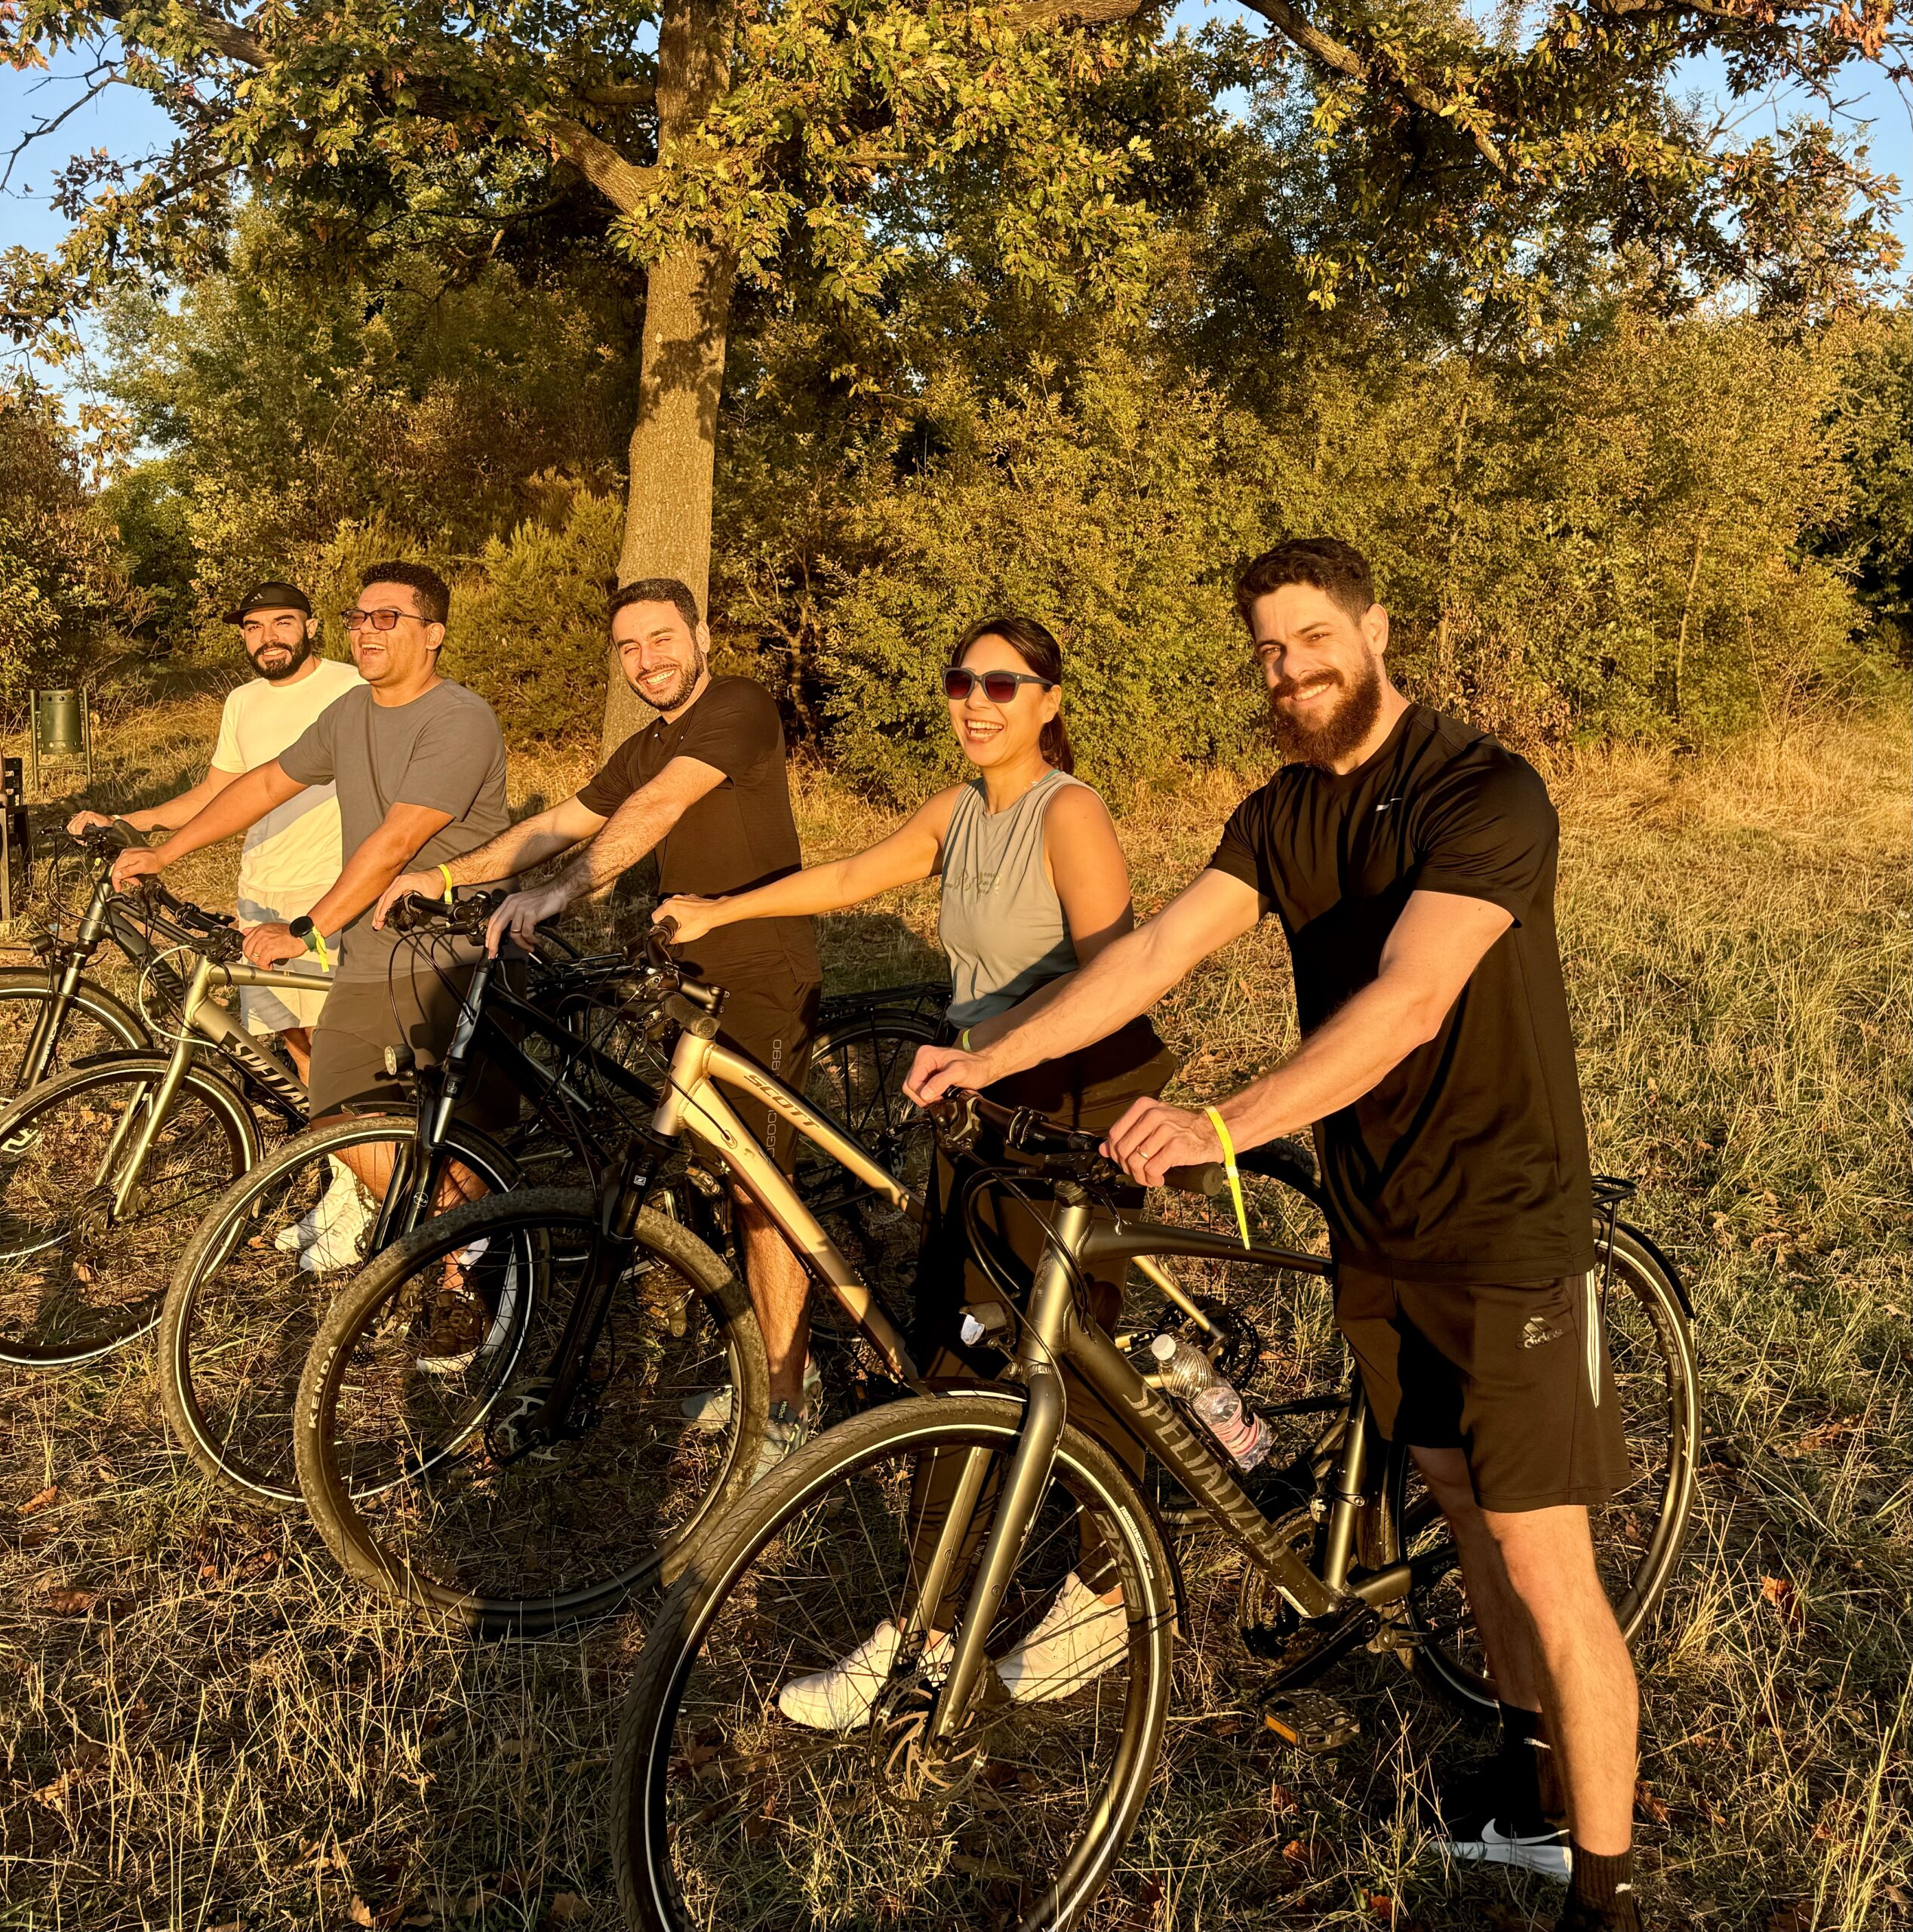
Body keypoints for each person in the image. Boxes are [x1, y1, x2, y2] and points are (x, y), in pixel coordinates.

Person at [909, 540, 1644, 1932]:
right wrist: (990, 1056)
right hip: (1379, 1219)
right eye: (1267, 651)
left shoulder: (1483, 792)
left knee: (1548, 1564)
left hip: (1501, 1221)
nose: (1293, 672)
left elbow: (1413, 997)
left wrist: (1227, 1121)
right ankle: (1528, 1783)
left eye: (1314, 640)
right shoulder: (1282, 812)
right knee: (1467, 1522)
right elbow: (1148, 955)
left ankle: (1606, 1899)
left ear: (1372, 631)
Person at [657, 614, 1175, 1723]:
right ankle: (923, 1629)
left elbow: (1116, 975)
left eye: (1004, 683)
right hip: (980, 1093)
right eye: (960, 682)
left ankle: (1102, 1585)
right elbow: (848, 874)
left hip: (1072, 1101)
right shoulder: (958, 809)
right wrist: (722, 908)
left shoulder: (1065, 811)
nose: (976, 701)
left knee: (1064, 1348)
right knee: (956, 1349)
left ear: (1048, 701)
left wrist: (990, 1056)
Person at [373, 578, 824, 1472]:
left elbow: (655, 811)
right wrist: (453, 879)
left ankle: (789, 1394)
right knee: (707, 1171)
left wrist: (560, 893)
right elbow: (559, 823)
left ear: (701, 634)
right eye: (629, 648)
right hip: (682, 980)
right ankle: (756, 1350)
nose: (648, 660)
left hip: (760, 975)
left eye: (662, 638)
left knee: (759, 1188)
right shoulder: (648, 739)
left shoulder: (736, 705)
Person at [112, 561, 513, 1280]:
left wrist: (307, 928)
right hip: (373, 946)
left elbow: (395, 842)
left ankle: (474, 1255)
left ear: (434, 634)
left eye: (387, 618)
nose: (366, 630)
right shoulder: (351, 713)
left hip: (445, 947)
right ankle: (463, 1236)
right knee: (333, 1105)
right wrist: (164, 852)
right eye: (359, 617)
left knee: (441, 1123)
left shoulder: (459, 718)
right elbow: (266, 783)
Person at [69, 579, 361, 1081]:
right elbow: (212, 794)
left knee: (337, 1042)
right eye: (254, 627)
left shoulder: (353, 689)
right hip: (260, 890)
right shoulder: (242, 702)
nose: (268, 637)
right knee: (292, 1037)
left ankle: (362, 1151)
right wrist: (125, 823)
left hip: (329, 887)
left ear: (311, 627)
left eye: (283, 622)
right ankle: (332, 1156)